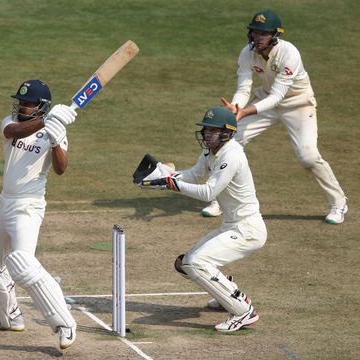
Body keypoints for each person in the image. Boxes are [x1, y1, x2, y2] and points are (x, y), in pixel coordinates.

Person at [201, 9, 348, 225]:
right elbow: (244, 87)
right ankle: (221, 199)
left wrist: (245, 112)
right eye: (255, 32)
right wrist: (236, 107)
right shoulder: (246, 53)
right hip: (265, 101)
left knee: (307, 156)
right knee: (227, 141)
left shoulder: (290, 54)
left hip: (298, 103)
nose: (258, 38)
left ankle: (338, 203)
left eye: (264, 34)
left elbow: (279, 96)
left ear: (275, 36)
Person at [140, 106, 267, 332]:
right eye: (206, 130)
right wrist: (163, 176)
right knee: (184, 264)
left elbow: (208, 192)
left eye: (213, 131)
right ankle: (226, 294)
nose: (207, 135)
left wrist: (173, 184)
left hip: (248, 229)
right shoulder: (211, 151)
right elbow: (193, 175)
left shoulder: (232, 156)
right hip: (232, 225)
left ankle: (242, 311)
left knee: (196, 263)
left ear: (227, 132)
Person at [0, 79, 78, 349]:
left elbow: (61, 169)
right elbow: (14, 132)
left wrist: (56, 140)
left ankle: (65, 324)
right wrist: (46, 122)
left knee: (22, 264)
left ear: (40, 106)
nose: (21, 106)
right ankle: (8, 318)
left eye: (27, 103)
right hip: (4, 202)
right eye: (20, 101)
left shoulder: (55, 130)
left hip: (28, 207)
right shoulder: (10, 122)